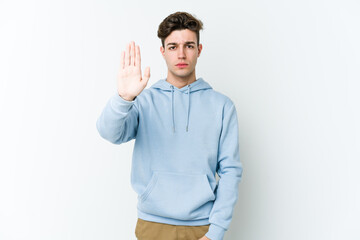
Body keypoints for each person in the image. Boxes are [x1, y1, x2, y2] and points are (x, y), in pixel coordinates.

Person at [96, 11, 243, 240]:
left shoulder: (222, 106)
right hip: (152, 224)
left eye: (189, 46)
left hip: (202, 228)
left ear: (199, 50)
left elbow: (230, 172)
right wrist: (123, 98)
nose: (181, 54)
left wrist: (215, 232)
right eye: (173, 47)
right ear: (163, 51)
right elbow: (109, 133)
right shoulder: (144, 100)